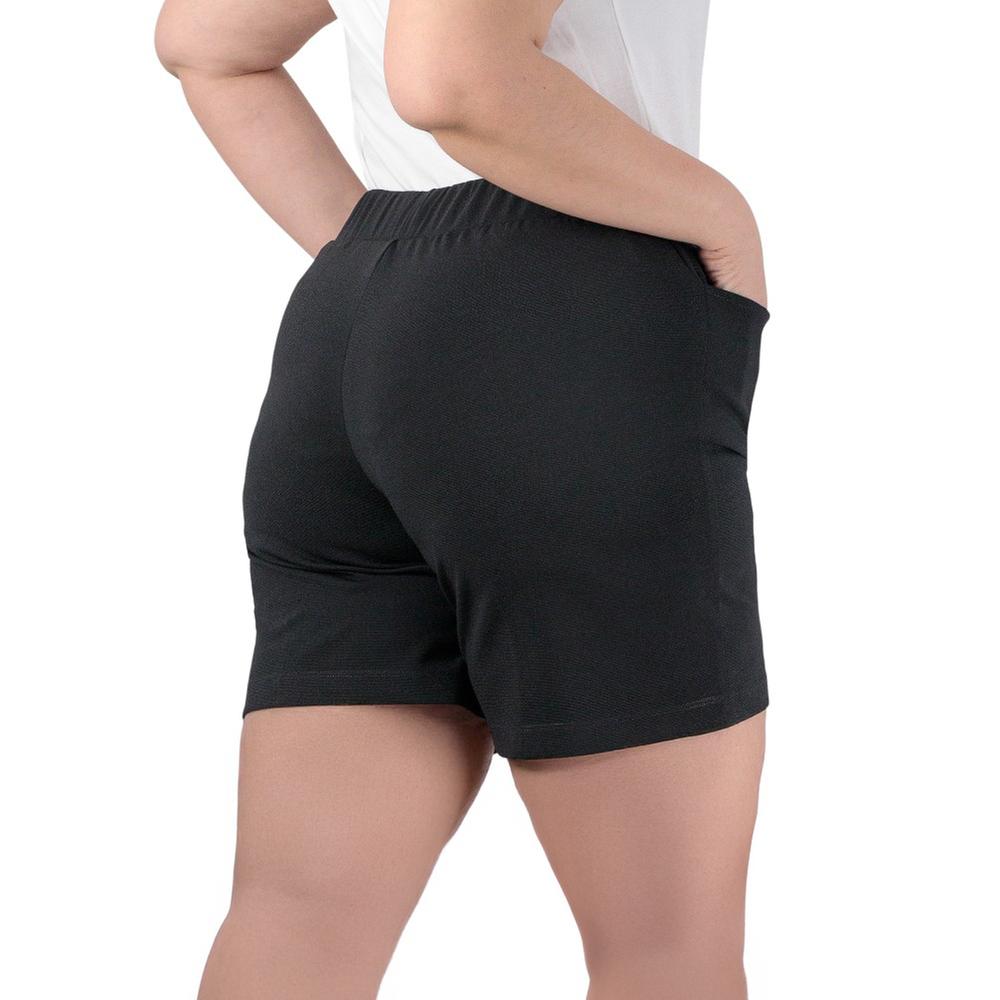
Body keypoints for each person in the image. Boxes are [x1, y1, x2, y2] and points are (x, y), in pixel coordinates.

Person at [155, 1, 770, 997]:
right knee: (663, 948)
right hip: (572, 319)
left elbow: (207, 40)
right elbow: (450, 78)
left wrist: (383, 260)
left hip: (355, 329)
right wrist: (718, 217)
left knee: (302, 913)